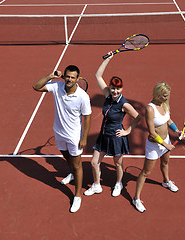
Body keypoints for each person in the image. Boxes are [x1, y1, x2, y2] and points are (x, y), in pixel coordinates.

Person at [32, 65, 92, 213]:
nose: (69, 79)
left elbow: (88, 117)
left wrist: (84, 137)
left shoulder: (83, 96)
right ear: (63, 76)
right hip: (59, 132)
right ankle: (71, 174)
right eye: (67, 76)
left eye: (73, 77)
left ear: (78, 78)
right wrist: (50, 76)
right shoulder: (57, 86)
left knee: (77, 164)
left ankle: (77, 196)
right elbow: (36, 87)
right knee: (67, 158)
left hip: (74, 136)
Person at [84, 52, 140, 197]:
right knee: (94, 162)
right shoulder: (108, 95)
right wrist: (108, 59)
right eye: (113, 88)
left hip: (116, 137)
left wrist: (127, 131)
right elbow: (98, 76)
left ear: (121, 89)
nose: (115, 91)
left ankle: (118, 183)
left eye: (118, 89)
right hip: (103, 135)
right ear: (109, 87)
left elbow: (138, 117)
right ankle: (97, 185)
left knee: (117, 164)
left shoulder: (124, 104)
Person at [132, 82, 181, 213]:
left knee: (165, 163)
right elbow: (152, 133)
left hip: (166, 140)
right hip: (154, 145)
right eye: (165, 96)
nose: (167, 98)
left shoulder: (164, 104)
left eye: (167, 96)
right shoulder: (150, 109)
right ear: (158, 95)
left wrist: (176, 131)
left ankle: (166, 181)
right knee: (146, 172)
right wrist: (166, 145)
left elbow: (168, 120)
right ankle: (136, 198)